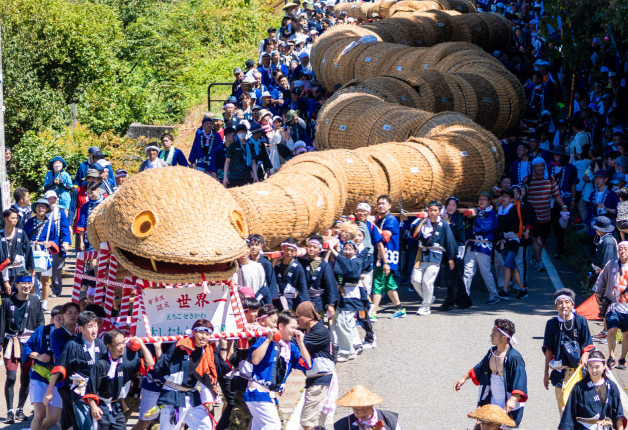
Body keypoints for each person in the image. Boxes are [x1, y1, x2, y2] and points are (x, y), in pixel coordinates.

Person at [152, 319, 231, 430]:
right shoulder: (180, 346)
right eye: (201, 333)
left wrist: (224, 345)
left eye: (207, 334)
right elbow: (163, 366)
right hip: (173, 395)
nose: (204, 336)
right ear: (193, 332)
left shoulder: (207, 351)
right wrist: (157, 347)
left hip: (192, 396)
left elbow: (219, 368)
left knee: (206, 427)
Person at [245, 310, 312, 429]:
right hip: (258, 391)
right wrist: (268, 340)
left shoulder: (292, 348)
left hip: (270, 394)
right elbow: (255, 360)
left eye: (296, 328)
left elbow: (308, 365)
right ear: (281, 326)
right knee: (273, 426)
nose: (295, 331)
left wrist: (301, 343)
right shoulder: (265, 340)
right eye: (292, 327)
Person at [454, 319, 528, 426]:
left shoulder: (515, 358)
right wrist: (463, 378)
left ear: (504, 337)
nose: (490, 335)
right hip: (492, 400)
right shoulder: (492, 352)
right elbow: (479, 367)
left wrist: (512, 399)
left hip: (507, 402)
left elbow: (520, 380)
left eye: (494, 333)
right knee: (485, 426)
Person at [45, 311, 107, 430]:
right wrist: (49, 390)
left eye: (95, 325)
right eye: (90, 326)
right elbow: (59, 367)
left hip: (98, 390)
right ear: (81, 329)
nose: (94, 329)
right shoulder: (72, 345)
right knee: (86, 425)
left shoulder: (101, 344)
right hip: (80, 389)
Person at [83, 330, 155, 430]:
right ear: (108, 346)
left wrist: (142, 345)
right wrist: (94, 407)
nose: (122, 346)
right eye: (118, 344)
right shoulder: (101, 364)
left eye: (123, 343)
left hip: (117, 406)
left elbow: (150, 364)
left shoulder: (128, 358)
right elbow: (90, 390)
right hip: (102, 406)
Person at [0, 273, 44, 423]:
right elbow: (1, 325)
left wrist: (40, 345)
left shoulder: (35, 301)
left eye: (29, 283)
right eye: (23, 283)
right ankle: (10, 411)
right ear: (17, 285)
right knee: (11, 377)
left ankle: (20, 409)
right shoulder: (7, 302)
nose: (27, 286)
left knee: (25, 378)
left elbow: (40, 323)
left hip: (28, 345)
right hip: (11, 343)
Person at [543, 288, 594, 412]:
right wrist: (545, 373)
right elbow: (548, 350)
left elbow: (587, 344)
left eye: (567, 302)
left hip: (579, 371)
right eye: (560, 303)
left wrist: (585, 355)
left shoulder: (580, 321)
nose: (563, 306)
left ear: (572, 304)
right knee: (564, 408)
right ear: (556, 306)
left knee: (581, 407)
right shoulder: (551, 324)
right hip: (561, 372)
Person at [409, 200, 457, 315]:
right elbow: (415, 235)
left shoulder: (443, 224)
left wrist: (451, 258)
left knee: (427, 281)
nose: (432, 213)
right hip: (421, 254)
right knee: (415, 280)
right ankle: (428, 299)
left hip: (436, 255)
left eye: (435, 210)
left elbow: (450, 241)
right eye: (430, 210)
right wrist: (421, 221)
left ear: (439, 211)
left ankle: (426, 306)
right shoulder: (424, 222)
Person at [558, 350, 626, 430]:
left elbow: (618, 413)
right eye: (590, 366)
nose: (594, 370)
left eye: (597, 367)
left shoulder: (611, 386)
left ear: (604, 366)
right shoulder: (579, 387)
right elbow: (569, 414)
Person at [296, 302, 336, 430]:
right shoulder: (309, 330)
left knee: (307, 422)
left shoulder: (318, 331)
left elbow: (296, 345)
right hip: (317, 379)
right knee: (316, 422)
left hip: (321, 379)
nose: (297, 320)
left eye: (299, 316)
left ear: (309, 317)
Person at [23, 304, 64, 430]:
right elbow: (27, 348)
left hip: (58, 379)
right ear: (51, 319)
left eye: (63, 319)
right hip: (39, 376)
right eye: (58, 319)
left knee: (53, 419)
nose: (61, 322)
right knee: (39, 414)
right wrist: (38, 356)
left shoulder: (70, 333)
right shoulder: (41, 331)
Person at [526, 158, 570, 271]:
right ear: (533, 167)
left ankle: (535, 257)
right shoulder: (528, 179)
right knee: (536, 238)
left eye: (542, 166)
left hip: (546, 215)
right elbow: (522, 195)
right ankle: (539, 262)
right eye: (537, 166)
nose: (540, 168)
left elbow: (556, 194)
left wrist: (564, 206)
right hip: (533, 217)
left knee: (544, 239)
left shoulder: (550, 179)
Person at [368, 195, 405, 321]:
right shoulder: (381, 219)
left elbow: (384, 236)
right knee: (388, 284)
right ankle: (400, 309)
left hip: (385, 257)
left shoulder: (391, 220)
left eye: (383, 203)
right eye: (379, 204)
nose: (380, 206)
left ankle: (373, 312)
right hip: (381, 256)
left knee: (377, 283)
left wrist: (372, 223)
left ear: (390, 205)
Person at [594, 241, 628, 368]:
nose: (622, 251)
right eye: (620, 249)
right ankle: (611, 356)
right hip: (613, 305)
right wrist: (598, 291)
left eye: (625, 249)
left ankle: (622, 358)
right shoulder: (611, 264)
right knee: (612, 330)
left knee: (626, 334)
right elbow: (602, 278)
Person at [463, 191, 500, 304]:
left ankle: (494, 294)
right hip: (472, 244)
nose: (482, 201)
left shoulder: (491, 214)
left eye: (484, 199)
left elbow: (484, 227)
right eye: (480, 199)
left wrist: (474, 218)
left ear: (489, 202)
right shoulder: (476, 212)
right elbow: (468, 228)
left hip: (484, 246)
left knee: (485, 272)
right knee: (467, 271)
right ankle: (464, 296)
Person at [329, 240, 364, 361]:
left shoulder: (357, 261)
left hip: (352, 295)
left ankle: (347, 351)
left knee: (344, 322)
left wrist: (335, 251)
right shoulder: (343, 260)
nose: (347, 252)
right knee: (344, 322)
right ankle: (353, 347)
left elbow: (350, 271)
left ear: (355, 251)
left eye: (350, 249)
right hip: (343, 295)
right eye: (345, 249)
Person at [24, 198, 60, 313]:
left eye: (43, 207)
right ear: (35, 208)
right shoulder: (29, 223)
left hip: (45, 253)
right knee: (31, 278)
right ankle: (34, 299)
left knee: (45, 279)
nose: (41, 209)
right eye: (39, 206)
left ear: (47, 209)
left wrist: (49, 244)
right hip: (32, 252)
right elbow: (24, 237)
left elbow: (55, 238)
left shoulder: (51, 224)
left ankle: (44, 303)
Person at [48, 302, 80, 430]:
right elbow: (62, 356)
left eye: (76, 313)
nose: (73, 315)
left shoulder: (80, 334)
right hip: (64, 380)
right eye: (69, 313)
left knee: (70, 414)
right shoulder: (57, 334)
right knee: (73, 411)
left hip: (79, 380)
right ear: (63, 315)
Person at [495, 190, 528, 300]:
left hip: (513, 240)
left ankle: (504, 291)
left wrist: (498, 218)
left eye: (507, 196)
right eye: (502, 196)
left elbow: (508, 224)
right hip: (504, 240)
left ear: (511, 199)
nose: (504, 198)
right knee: (512, 267)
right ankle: (523, 290)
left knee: (507, 265)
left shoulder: (512, 210)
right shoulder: (501, 209)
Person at [548, 146, 579, 257]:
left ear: (562, 156)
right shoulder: (549, 166)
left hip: (565, 199)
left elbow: (573, 184)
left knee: (562, 224)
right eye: (554, 154)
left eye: (558, 155)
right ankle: (560, 246)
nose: (556, 156)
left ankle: (560, 247)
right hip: (551, 201)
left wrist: (573, 199)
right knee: (555, 223)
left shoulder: (571, 168)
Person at [299, 234, 339, 315]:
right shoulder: (302, 262)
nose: (311, 249)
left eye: (315, 247)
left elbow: (330, 285)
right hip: (304, 298)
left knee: (317, 322)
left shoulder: (324, 265)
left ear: (319, 250)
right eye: (310, 246)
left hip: (319, 300)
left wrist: (330, 304)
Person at [333, 385, 401, 430]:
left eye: (364, 409)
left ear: (371, 405)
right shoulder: (342, 425)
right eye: (356, 410)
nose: (360, 413)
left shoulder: (389, 420)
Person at [0, 208, 35, 295]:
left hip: (19, 268)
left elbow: (28, 252)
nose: (15, 220)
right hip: (4, 270)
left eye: (16, 218)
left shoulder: (21, 233)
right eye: (12, 218)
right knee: (6, 296)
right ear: (6, 219)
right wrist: (5, 280)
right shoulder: (0, 235)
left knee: (21, 295)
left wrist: (31, 269)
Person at [45, 191, 71, 297]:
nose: (51, 201)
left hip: (56, 245)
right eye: (49, 199)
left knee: (56, 269)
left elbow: (65, 228)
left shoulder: (60, 213)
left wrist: (65, 242)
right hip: (43, 245)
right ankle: (43, 291)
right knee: (43, 269)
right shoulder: (41, 212)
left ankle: (56, 290)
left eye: (53, 199)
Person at [273, 237, 310, 310]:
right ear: (282, 248)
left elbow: (303, 287)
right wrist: (273, 263)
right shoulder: (277, 264)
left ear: (295, 252)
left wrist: (304, 305)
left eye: (292, 250)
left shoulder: (298, 267)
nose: (289, 252)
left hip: (292, 302)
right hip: (278, 302)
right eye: (287, 249)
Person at [223, 124, 259, 188]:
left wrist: (255, 175)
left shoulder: (250, 145)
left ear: (246, 132)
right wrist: (225, 177)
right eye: (239, 131)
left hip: (246, 176)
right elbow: (227, 161)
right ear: (237, 133)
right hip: (234, 177)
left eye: (243, 131)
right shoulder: (232, 146)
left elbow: (253, 162)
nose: (241, 133)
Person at [247, 234, 277, 305]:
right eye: (251, 244)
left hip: (262, 298)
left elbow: (270, 282)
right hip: (248, 297)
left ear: (261, 247)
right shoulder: (245, 262)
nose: (254, 247)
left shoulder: (266, 264)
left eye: (257, 245)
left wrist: (269, 302)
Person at [76, 181, 105, 252]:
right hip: (91, 237)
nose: (90, 195)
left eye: (92, 192)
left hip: (104, 237)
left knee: (104, 260)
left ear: (97, 190)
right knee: (93, 258)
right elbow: (81, 225)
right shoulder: (85, 206)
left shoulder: (106, 203)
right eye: (88, 193)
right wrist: (81, 242)